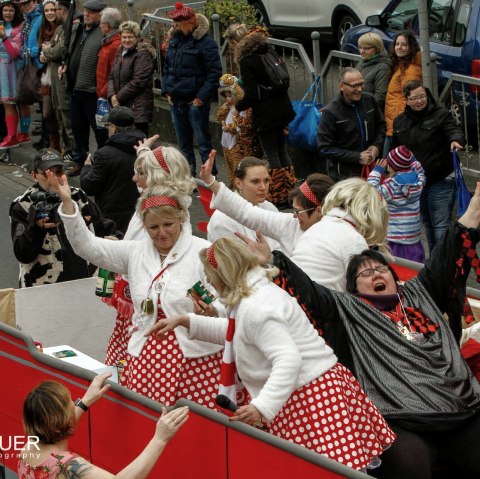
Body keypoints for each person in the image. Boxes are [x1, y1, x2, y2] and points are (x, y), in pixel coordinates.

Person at [259, 183, 480, 479]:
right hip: (402, 420)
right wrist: (272, 261)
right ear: (353, 289)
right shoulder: (347, 308)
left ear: (392, 275)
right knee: (406, 466)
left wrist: (473, 211)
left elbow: (446, 255)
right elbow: (308, 292)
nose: (374, 273)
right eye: (363, 274)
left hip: (461, 410)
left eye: (380, 269)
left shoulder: (420, 291)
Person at [147, 237, 395, 471]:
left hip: (309, 397)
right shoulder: (255, 295)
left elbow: (288, 360)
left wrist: (261, 407)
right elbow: (241, 334)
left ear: (225, 273)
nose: (210, 283)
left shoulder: (257, 307)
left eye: (211, 276)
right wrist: (187, 322)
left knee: (324, 472)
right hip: (311, 391)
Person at [53, 176, 224, 408]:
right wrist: (69, 205)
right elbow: (88, 247)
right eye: (153, 227)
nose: (162, 232)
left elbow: (229, 303)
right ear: (144, 226)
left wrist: (213, 311)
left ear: (181, 219)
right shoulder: (136, 252)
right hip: (146, 361)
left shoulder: (203, 252)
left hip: (197, 362)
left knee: (193, 434)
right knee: (148, 426)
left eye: (168, 224)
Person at [200, 154, 387, 291]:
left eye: (299, 212)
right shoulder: (290, 223)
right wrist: (211, 182)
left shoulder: (351, 239)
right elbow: (247, 212)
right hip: (291, 296)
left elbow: (359, 290)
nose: (294, 216)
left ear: (320, 211)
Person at [103, 139, 196, 368]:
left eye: (141, 173)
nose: (135, 178)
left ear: (157, 176)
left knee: (129, 353)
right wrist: (144, 152)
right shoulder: (159, 201)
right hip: (141, 298)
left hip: (146, 303)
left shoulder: (160, 211)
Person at [19, 372, 188, 479]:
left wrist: (84, 402)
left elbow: (58, 427)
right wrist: (160, 438)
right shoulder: (67, 466)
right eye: (70, 402)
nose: (73, 403)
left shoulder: (28, 449)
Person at [9, 149, 118, 288]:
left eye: (59, 171)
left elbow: (104, 228)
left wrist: (115, 238)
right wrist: (35, 228)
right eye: (48, 173)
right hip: (44, 289)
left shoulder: (78, 196)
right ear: (34, 176)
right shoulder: (23, 205)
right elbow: (22, 254)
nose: (54, 178)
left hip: (85, 283)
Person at [392, 80, 464, 254]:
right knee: (428, 225)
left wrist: (455, 140)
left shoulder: (440, 114)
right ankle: (435, 263)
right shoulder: (399, 122)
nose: (419, 101)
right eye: (415, 98)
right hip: (416, 183)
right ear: (407, 100)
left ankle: (444, 265)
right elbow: (396, 149)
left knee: (441, 225)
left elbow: (453, 130)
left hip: (441, 179)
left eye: (422, 97)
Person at [234, 25, 296, 209]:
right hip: (283, 110)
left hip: (266, 113)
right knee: (283, 151)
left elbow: (252, 94)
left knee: (271, 153)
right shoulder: (270, 52)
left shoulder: (248, 61)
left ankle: (277, 195)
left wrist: (238, 107)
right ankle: (290, 192)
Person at [163, 2, 221, 176]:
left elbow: (214, 73)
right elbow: (167, 67)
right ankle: (188, 176)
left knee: (203, 143)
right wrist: (166, 91)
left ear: (190, 22)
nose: (176, 27)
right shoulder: (174, 40)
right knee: (184, 144)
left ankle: (209, 177)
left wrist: (201, 98)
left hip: (195, 101)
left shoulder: (206, 43)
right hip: (176, 100)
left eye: (179, 24)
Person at [80, 106, 145, 234]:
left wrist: (87, 167)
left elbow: (89, 186)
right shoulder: (147, 148)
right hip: (140, 214)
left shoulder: (105, 154)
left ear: (113, 128)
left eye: (108, 126)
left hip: (112, 219)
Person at [317, 67, 386, 181]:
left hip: (371, 170)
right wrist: (357, 157)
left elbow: (381, 126)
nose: (359, 89)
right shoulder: (331, 112)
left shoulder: (370, 100)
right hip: (343, 176)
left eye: (362, 84)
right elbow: (324, 148)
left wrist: (376, 146)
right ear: (341, 86)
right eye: (354, 86)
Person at [65, 0, 108, 177]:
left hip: (92, 91)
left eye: (92, 12)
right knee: (78, 127)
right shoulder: (79, 29)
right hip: (75, 88)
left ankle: (102, 162)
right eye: (85, 11)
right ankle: (79, 159)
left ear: (101, 15)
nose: (87, 14)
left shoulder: (103, 32)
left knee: (99, 129)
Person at [207, 157, 280, 251]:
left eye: (266, 181)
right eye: (255, 181)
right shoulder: (222, 221)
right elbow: (232, 263)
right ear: (238, 183)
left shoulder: (270, 207)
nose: (263, 187)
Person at [367, 145, 426, 262]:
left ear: (392, 167)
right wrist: (411, 161)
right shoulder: (418, 181)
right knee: (412, 268)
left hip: (395, 239)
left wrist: (377, 171)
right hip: (413, 237)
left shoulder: (392, 187)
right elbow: (421, 171)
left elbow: (371, 190)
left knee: (396, 268)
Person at [40, 0, 75, 160]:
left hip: (63, 81)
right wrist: (47, 52)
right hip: (53, 79)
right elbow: (48, 49)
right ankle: (65, 150)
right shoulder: (60, 28)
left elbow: (58, 51)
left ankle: (73, 152)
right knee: (58, 115)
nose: (54, 12)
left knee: (66, 116)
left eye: (56, 9)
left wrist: (48, 52)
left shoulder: (70, 27)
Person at [107, 21, 155, 136]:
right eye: (124, 37)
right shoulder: (120, 50)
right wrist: (112, 95)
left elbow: (138, 81)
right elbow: (111, 76)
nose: (126, 40)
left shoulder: (142, 54)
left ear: (137, 37)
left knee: (138, 143)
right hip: (122, 106)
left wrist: (118, 97)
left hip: (137, 109)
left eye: (130, 37)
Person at [216, 75, 261, 185]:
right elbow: (220, 118)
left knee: (239, 170)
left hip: (237, 144)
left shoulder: (244, 109)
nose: (228, 99)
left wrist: (230, 128)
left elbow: (242, 126)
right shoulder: (228, 106)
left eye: (230, 96)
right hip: (226, 143)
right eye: (226, 96)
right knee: (230, 169)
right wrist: (222, 111)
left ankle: (239, 190)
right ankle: (232, 187)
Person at [384, 30, 422, 153]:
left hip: (398, 123)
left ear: (411, 47)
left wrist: (398, 122)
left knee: (390, 164)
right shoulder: (400, 64)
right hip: (394, 121)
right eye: (397, 44)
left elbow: (409, 98)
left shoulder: (410, 69)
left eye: (404, 45)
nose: (399, 47)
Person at [16, 0, 43, 146]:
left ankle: (48, 139)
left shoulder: (41, 16)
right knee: (30, 98)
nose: (25, 5)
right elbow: (25, 41)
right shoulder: (27, 19)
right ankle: (42, 137)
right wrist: (23, 52)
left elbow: (44, 39)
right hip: (28, 64)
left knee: (44, 103)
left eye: (27, 2)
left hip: (39, 64)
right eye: (22, 3)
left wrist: (32, 52)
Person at [38, 0, 61, 151]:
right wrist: (42, 57)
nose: (50, 13)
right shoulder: (42, 29)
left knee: (60, 113)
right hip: (46, 75)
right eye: (47, 10)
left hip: (59, 74)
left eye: (53, 9)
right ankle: (54, 144)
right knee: (47, 113)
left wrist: (49, 54)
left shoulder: (62, 28)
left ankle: (62, 146)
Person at [0, 0, 23, 149]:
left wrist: (4, 37)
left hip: (9, 71)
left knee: (10, 104)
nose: (8, 13)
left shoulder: (17, 29)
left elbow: (15, 52)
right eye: (5, 10)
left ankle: (12, 136)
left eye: (11, 10)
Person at [356, 32, 390, 111]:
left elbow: (380, 96)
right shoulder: (362, 61)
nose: (362, 51)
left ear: (377, 49)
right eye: (360, 48)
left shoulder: (383, 67)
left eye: (366, 48)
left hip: (370, 111)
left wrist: (363, 109)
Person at [96, 7, 121, 101]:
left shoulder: (115, 45)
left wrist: (103, 93)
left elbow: (115, 74)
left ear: (107, 25)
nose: (99, 26)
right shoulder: (107, 42)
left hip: (108, 97)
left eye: (101, 23)